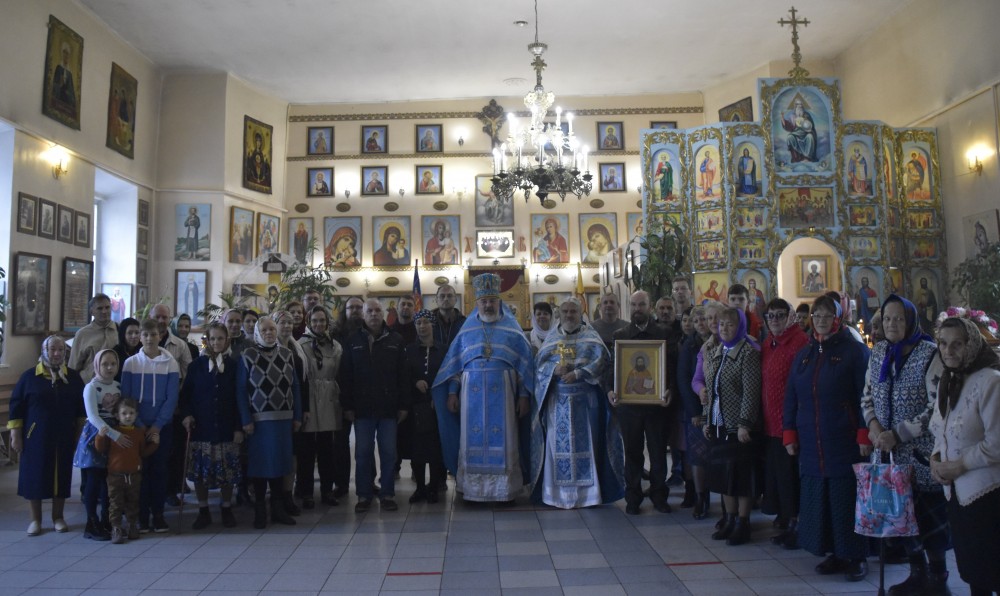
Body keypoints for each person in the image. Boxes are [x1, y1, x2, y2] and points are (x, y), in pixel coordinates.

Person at [862, 295, 952, 594]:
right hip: (888, 456)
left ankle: (937, 577)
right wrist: (874, 427)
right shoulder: (878, 352)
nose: (892, 324)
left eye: (899, 318)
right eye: (887, 318)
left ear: (911, 321)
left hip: (920, 455)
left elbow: (936, 406)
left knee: (929, 521)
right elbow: (867, 396)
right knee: (903, 518)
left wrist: (898, 434)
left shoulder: (929, 354)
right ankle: (916, 572)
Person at [784, 295, 872, 580]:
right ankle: (834, 552)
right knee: (821, 498)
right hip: (811, 441)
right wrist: (789, 431)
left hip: (843, 439)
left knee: (845, 498)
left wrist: (864, 432)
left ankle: (856, 555)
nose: (821, 320)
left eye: (827, 315)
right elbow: (792, 396)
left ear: (838, 318)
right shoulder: (805, 354)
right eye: (817, 315)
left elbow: (865, 395)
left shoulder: (854, 351)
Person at [432, 273, 539, 503]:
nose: (488, 305)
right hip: (470, 398)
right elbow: (456, 365)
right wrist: (451, 392)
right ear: (477, 303)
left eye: (492, 301)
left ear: (499, 302)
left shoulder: (512, 330)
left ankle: (504, 491)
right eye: (483, 301)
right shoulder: (467, 331)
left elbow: (523, 367)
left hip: (504, 396)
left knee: (506, 439)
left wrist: (523, 396)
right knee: (471, 440)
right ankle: (473, 491)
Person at [929, 317, 1000, 596]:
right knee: (973, 571)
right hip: (957, 496)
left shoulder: (991, 381)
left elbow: (996, 443)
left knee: (992, 570)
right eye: (943, 344)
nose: (948, 351)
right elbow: (939, 427)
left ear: (971, 345)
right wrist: (936, 458)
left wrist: (960, 465)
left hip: (988, 495)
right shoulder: (949, 379)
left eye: (957, 344)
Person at [533, 298, 624, 508]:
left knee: (589, 445)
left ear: (581, 313)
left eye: (573, 311)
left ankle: (588, 495)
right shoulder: (552, 339)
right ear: (559, 314)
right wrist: (553, 370)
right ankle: (557, 495)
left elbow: (603, 362)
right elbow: (539, 366)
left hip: (585, 404)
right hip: (557, 404)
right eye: (565, 311)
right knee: (556, 446)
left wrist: (579, 373)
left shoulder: (591, 337)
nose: (569, 315)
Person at [8, 336, 86, 536]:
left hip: (64, 435)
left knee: (61, 475)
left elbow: (80, 410)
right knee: (35, 475)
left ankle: (58, 517)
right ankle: (35, 520)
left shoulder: (73, 378)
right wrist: (16, 435)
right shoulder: (29, 377)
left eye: (61, 350)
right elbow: (16, 407)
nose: (57, 353)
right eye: (52, 349)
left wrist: (78, 435)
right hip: (35, 436)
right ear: (44, 351)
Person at [608, 290, 675, 515]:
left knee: (657, 453)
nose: (638, 309)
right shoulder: (621, 335)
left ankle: (659, 496)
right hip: (629, 407)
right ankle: (633, 498)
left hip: (657, 407)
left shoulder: (664, 333)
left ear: (650, 306)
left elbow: (672, 366)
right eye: (634, 305)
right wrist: (610, 389)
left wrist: (670, 389)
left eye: (642, 305)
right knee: (632, 453)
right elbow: (613, 368)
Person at [339, 298, 408, 512]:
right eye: (370, 311)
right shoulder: (353, 340)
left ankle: (387, 493)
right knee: (363, 454)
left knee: (389, 453)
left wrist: (403, 405)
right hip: (362, 408)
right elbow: (346, 375)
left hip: (388, 407)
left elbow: (403, 375)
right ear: (364, 314)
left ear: (384, 312)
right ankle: (363, 495)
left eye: (378, 310)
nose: (374, 314)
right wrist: (347, 406)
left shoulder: (395, 339)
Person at [701, 308, 761, 546]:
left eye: (730, 324)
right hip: (719, 424)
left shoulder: (748, 353)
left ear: (740, 327)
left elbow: (751, 392)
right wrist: (707, 419)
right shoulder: (717, 352)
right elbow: (711, 391)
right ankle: (730, 518)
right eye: (722, 324)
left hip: (738, 427)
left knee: (740, 477)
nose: (725, 328)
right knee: (723, 476)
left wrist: (745, 423)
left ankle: (743, 523)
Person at [237, 317, 302, 529]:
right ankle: (260, 510)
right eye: (264, 330)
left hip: (283, 420)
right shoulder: (248, 355)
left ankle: (277, 509)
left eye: (272, 329)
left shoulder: (287, 354)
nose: (269, 333)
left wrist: (297, 416)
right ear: (257, 332)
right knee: (260, 466)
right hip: (259, 423)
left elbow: (295, 387)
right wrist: (245, 419)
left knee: (280, 464)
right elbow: (241, 390)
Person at [178, 322, 242, 530]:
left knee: (227, 472)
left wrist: (239, 427)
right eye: (212, 338)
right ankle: (203, 509)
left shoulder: (234, 366)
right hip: (202, 427)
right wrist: (187, 415)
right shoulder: (196, 366)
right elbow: (185, 396)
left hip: (226, 426)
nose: (216, 342)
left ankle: (226, 507)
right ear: (207, 340)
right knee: (200, 472)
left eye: (220, 338)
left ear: (227, 340)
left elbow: (240, 399)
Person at [120, 319, 180, 534]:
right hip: (137, 428)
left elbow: (171, 398)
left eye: (153, 334)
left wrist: (157, 426)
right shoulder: (131, 364)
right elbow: (127, 397)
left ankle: (159, 515)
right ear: (139, 337)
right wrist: (139, 425)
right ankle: (142, 517)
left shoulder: (170, 363)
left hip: (162, 428)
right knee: (140, 472)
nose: (149, 339)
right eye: (144, 335)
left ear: (160, 336)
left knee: (159, 470)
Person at [760, 299, 809, 549]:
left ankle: (798, 525)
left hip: (790, 423)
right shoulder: (769, 342)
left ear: (790, 317)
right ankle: (787, 518)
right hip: (771, 423)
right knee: (780, 475)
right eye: (770, 316)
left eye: (780, 315)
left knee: (791, 478)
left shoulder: (800, 342)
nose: (775, 320)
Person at [73, 349, 128, 541]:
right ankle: (91, 522)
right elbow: (93, 416)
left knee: (108, 481)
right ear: (97, 365)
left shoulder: (118, 386)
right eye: (105, 364)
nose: (109, 368)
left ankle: (107, 519)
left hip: (113, 435)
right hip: (97, 434)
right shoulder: (91, 387)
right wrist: (114, 434)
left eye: (113, 364)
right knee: (94, 480)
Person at [295, 306, 343, 508]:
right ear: (308, 322)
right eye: (314, 320)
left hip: (329, 398)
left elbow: (339, 371)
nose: (318, 324)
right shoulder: (300, 345)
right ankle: (306, 492)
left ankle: (327, 490)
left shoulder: (335, 346)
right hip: (309, 397)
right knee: (306, 451)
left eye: (322, 320)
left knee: (327, 450)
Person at [95, 398, 159, 544]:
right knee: (115, 504)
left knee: (133, 503)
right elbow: (101, 449)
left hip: (134, 476)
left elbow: (143, 453)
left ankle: (132, 525)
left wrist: (154, 444)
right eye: (124, 413)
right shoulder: (113, 432)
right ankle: (116, 528)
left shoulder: (139, 433)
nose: (128, 416)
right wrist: (100, 436)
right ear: (117, 415)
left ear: (136, 415)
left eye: (131, 413)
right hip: (115, 476)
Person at [403, 309, 448, 504]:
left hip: (437, 406)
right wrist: (415, 382)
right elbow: (403, 374)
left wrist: (438, 396)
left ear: (432, 325)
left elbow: (448, 374)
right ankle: (420, 487)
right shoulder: (409, 350)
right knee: (418, 449)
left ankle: (434, 487)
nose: (422, 326)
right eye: (418, 323)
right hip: (416, 406)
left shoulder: (443, 349)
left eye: (425, 322)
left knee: (435, 448)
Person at [679, 305, 714, 519]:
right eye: (697, 320)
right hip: (696, 409)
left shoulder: (719, 341)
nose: (701, 324)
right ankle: (701, 497)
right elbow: (684, 380)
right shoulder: (689, 346)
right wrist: (694, 411)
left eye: (704, 319)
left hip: (718, 408)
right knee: (698, 455)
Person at [68, 294, 118, 383]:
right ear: (91, 312)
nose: (104, 311)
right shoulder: (82, 334)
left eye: (107, 307)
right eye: (99, 308)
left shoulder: (120, 330)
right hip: (89, 384)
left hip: (115, 385)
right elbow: (73, 366)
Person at [782, 97, 818, 163]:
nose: (800, 106)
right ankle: (797, 158)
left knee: (810, 137)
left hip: (806, 134)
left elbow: (811, 126)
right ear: (795, 106)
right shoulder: (792, 116)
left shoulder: (806, 115)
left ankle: (807, 158)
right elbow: (790, 127)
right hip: (796, 134)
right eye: (798, 104)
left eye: (801, 104)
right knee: (790, 137)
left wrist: (806, 123)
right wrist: (783, 121)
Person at [50, 42, 77, 115]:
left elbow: (72, 92)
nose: (66, 56)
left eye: (67, 54)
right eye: (65, 53)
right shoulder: (59, 68)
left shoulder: (69, 74)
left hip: (67, 104)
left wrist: (69, 94)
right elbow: (54, 86)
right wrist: (59, 85)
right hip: (58, 101)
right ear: (62, 54)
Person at [112, 318, 141, 382]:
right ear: (123, 334)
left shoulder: (143, 350)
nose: (134, 336)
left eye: (137, 333)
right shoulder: (115, 353)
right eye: (130, 333)